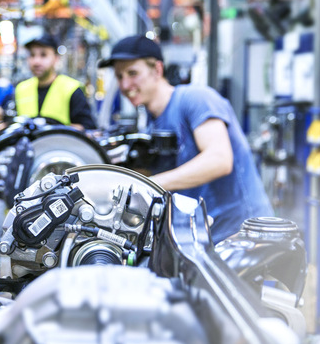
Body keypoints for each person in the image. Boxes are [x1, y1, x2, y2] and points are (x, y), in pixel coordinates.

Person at [98, 34, 273, 242]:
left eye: (133, 73)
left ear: (157, 70)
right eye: (119, 76)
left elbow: (219, 160)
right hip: (205, 241)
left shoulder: (195, 99)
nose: (125, 85)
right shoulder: (152, 125)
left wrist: (148, 184)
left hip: (245, 239)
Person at [15, 34, 95, 130]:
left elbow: (87, 128)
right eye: (32, 55)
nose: (36, 61)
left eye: (43, 55)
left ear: (56, 58)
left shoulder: (71, 89)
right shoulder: (21, 89)